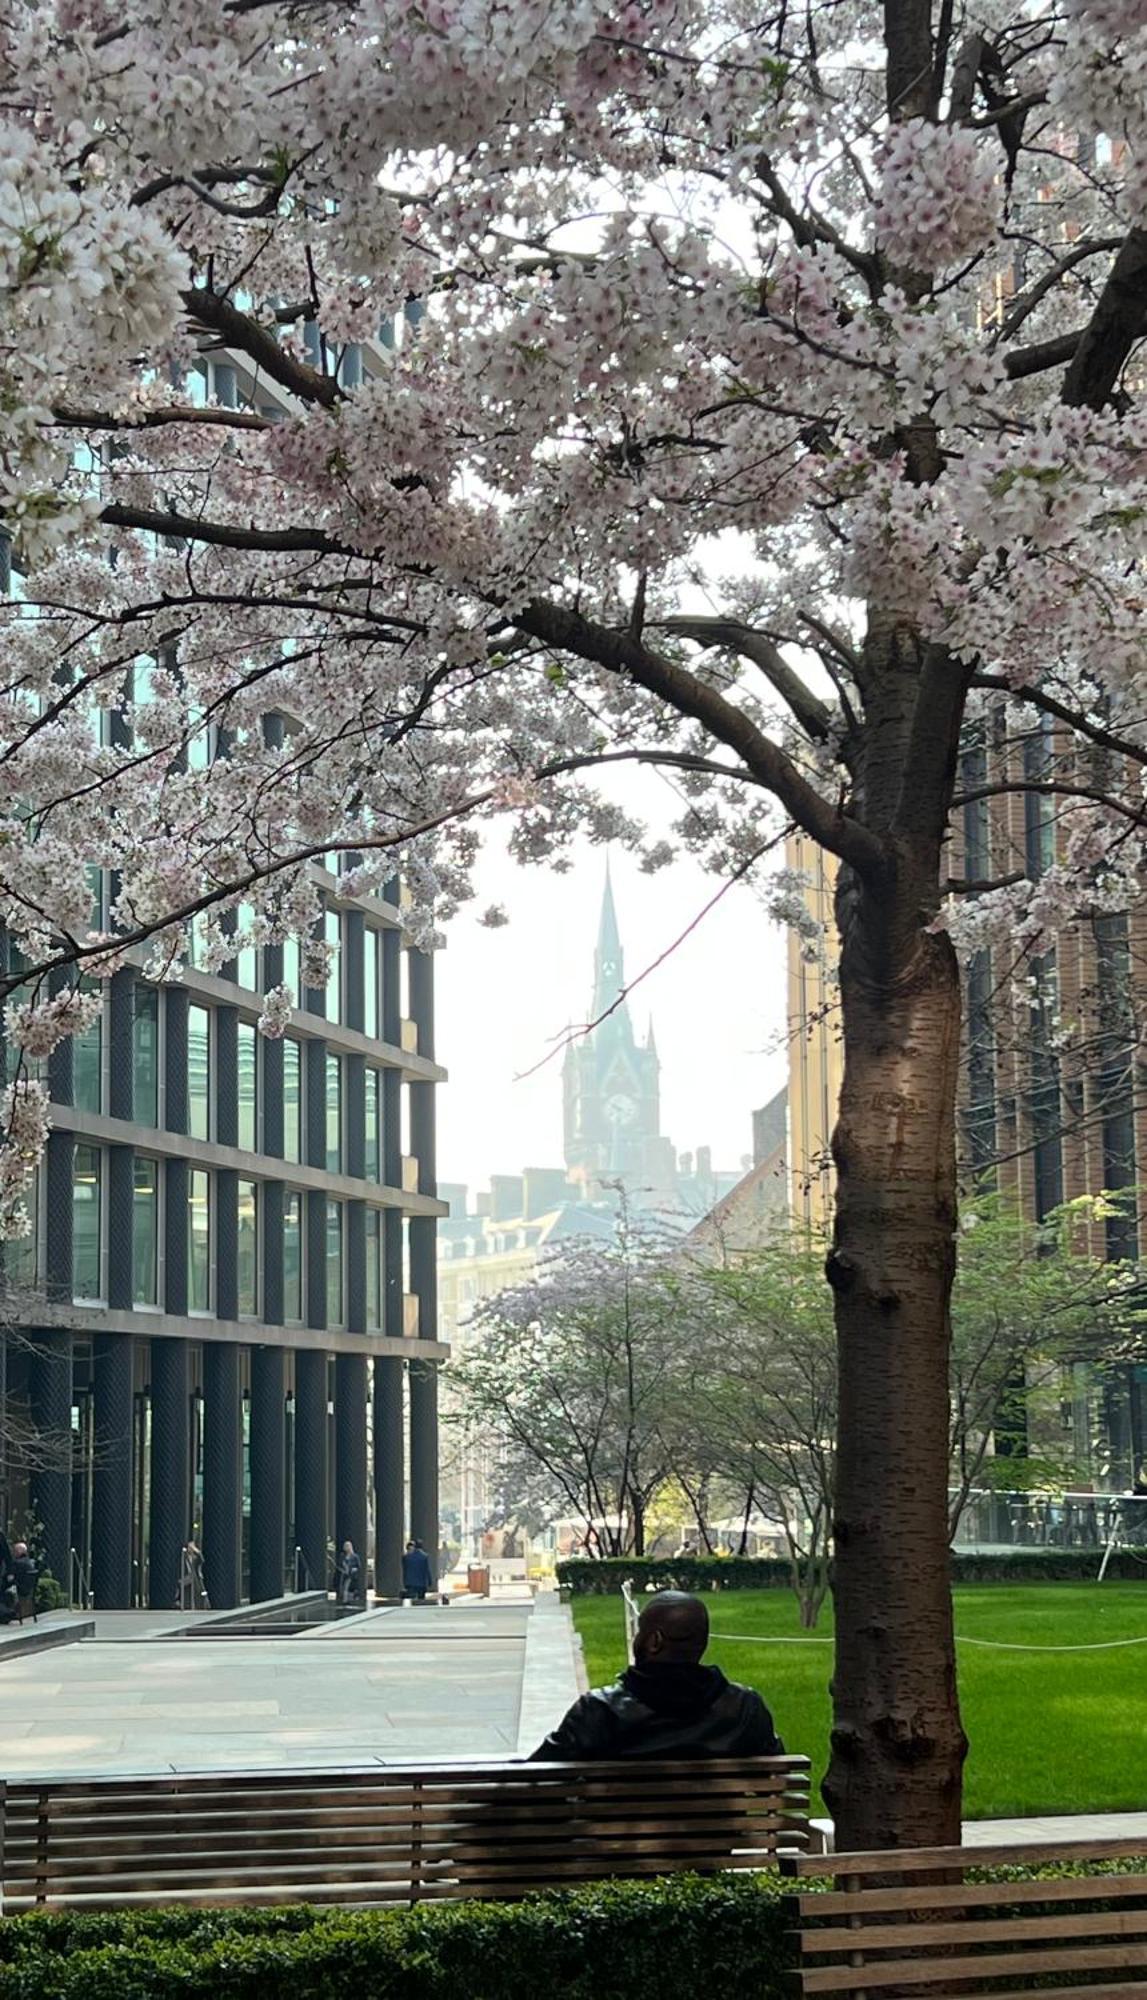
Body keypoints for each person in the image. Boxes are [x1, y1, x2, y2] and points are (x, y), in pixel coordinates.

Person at [530, 1590, 784, 1761]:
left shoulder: (598, 1711)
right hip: (713, 1842)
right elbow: (776, 1776)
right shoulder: (744, 1709)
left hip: (618, 1842)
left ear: (654, 1641)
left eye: (641, 1630)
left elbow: (536, 1779)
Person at [11, 1541, 37, 1624]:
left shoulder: (17, 1563)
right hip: (28, 1589)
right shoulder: (30, 1562)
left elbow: (11, 1576)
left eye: (14, 1551)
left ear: (19, 1552)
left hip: (20, 1589)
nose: (13, 1553)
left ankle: (8, 1613)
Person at [401, 1538, 434, 1603]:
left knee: (411, 1600)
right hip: (422, 1583)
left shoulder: (407, 1557)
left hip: (410, 1583)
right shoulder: (424, 1557)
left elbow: (405, 1570)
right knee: (421, 1601)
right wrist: (430, 1581)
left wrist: (404, 1582)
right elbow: (427, 1570)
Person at [336, 1540, 363, 1606]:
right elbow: (339, 1564)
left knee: (348, 1587)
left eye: (347, 1546)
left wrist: (354, 1569)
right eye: (345, 1546)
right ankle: (345, 1600)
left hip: (351, 1575)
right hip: (344, 1574)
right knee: (344, 1586)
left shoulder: (355, 1556)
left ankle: (347, 1600)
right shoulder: (342, 1556)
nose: (346, 1547)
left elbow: (358, 1566)